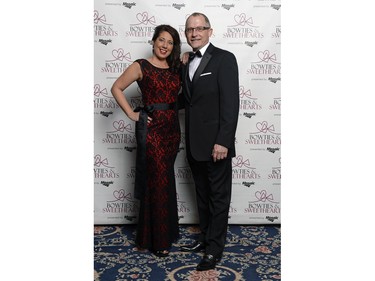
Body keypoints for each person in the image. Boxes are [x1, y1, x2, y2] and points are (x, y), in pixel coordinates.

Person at [111, 24, 182, 257]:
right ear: (153, 41)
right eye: (161, 40)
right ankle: (159, 241)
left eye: (170, 42)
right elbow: (117, 88)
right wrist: (132, 114)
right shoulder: (140, 66)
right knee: (159, 181)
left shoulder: (176, 67)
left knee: (163, 181)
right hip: (151, 132)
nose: (165, 45)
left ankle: (162, 232)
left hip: (172, 130)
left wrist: (188, 57)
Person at [178, 12, 240, 271]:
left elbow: (231, 103)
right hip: (194, 145)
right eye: (189, 29)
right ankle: (205, 239)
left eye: (199, 28)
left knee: (218, 198)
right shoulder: (186, 61)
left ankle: (214, 250)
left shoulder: (225, 59)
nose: (194, 33)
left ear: (210, 31)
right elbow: (188, 100)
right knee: (202, 197)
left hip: (216, 146)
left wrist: (223, 141)